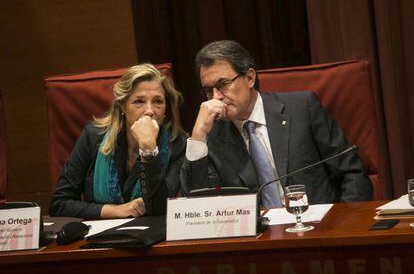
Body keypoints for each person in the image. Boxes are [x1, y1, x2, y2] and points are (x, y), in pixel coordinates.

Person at [181, 40, 373, 207]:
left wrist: (340, 230)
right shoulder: (212, 135)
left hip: (318, 232)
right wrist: (198, 135)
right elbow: (197, 204)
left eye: (223, 84)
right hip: (256, 242)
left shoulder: (302, 109)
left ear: (249, 78)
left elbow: (352, 174)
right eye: (208, 90)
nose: (216, 97)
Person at [49, 63, 186, 219]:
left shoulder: (177, 144)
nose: (149, 111)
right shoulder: (94, 136)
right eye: (138, 101)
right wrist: (118, 210)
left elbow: (158, 209)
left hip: (150, 238)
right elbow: (59, 204)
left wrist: (148, 150)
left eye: (158, 102)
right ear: (122, 106)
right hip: (97, 237)